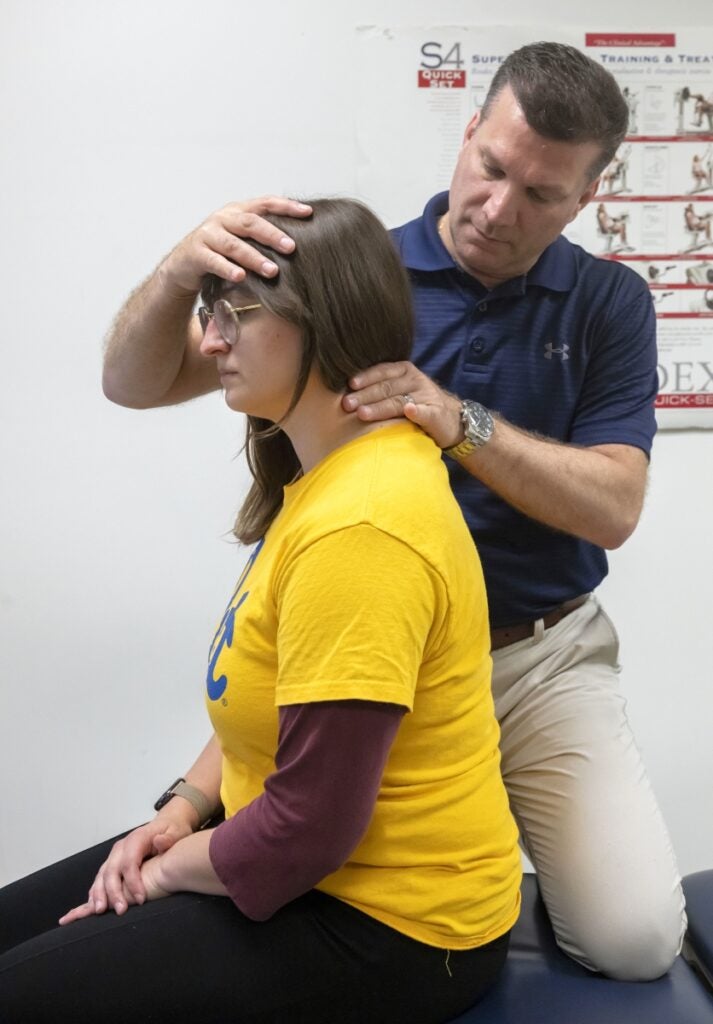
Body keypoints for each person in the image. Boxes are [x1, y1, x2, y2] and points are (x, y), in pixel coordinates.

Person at [99, 42, 686, 980]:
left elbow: (613, 508)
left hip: (535, 653)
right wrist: (179, 272)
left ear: (587, 196)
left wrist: (459, 420)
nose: (499, 209)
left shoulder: (608, 302)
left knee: (634, 941)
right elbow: (135, 384)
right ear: (467, 136)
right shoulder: (359, 269)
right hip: (368, 638)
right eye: (491, 169)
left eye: (540, 195)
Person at [0, 199, 521, 1024]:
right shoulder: (325, 474)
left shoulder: (364, 525)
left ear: (323, 323)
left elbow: (306, 832)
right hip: (297, 860)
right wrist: (178, 813)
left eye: (232, 315)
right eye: (210, 313)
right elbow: (270, 696)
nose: (209, 342)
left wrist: (164, 871)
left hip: (396, 928)